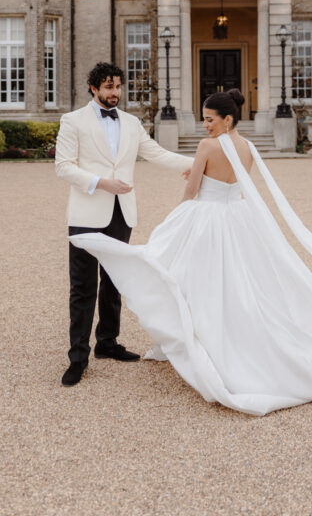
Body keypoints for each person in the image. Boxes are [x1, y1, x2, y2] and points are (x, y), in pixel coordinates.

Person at [71, 89, 312, 415]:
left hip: (207, 221)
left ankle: (200, 341)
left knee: (193, 280)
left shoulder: (207, 146)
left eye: (210, 119)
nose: (205, 125)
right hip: (238, 219)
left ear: (228, 119)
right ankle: (230, 339)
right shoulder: (248, 146)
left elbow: (192, 190)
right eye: (204, 119)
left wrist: (178, 216)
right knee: (241, 284)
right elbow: (236, 182)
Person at [55, 61, 193, 387]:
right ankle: (78, 358)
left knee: (114, 282)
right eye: (108, 87)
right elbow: (63, 167)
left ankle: (107, 342)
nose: (115, 92)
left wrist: (195, 163)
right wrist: (102, 183)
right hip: (86, 214)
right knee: (83, 287)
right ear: (94, 88)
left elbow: (156, 153)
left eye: (118, 86)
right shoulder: (73, 121)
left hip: (121, 213)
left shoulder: (131, 123)